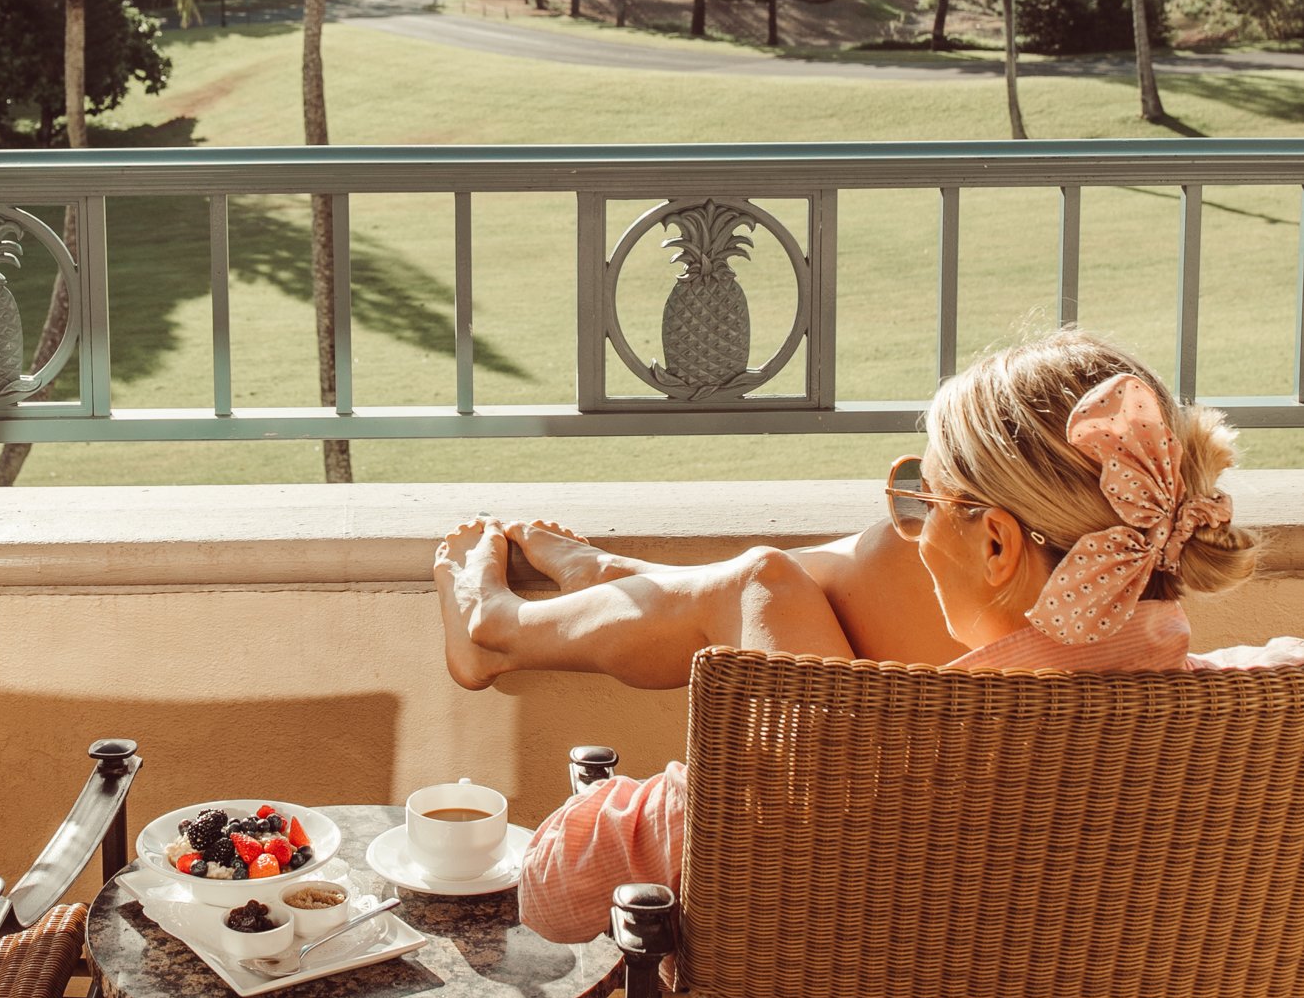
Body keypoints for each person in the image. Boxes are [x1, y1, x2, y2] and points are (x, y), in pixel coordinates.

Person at [432, 328, 1301, 944]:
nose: (916, 529)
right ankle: (612, 592)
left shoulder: (810, 766)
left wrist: (722, 752)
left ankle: (519, 622)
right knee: (780, 579)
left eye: (930, 499)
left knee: (768, 583)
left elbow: (548, 890)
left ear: (996, 543)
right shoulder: (1279, 716)